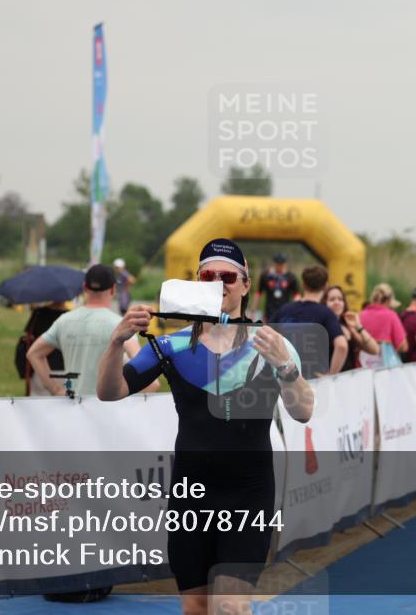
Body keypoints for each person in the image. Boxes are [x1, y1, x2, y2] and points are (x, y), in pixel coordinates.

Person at [97, 238, 313, 615]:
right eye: (209, 275)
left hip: (249, 494)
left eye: (228, 276)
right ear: (198, 283)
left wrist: (287, 368)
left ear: (246, 284)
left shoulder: (272, 344)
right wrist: (116, 343)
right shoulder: (171, 346)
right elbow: (110, 393)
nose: (220, 283)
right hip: (191, 495)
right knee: (195, 608)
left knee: (230, 606)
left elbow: (304, 411)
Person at [27, 264, 157, 397]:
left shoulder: (64, 320)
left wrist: (56, 390)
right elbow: (149, 378)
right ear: (113, 289)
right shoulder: (119, 326)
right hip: (107, 408)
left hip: (73, 406)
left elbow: (34, 354)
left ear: (84, 288)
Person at [270, 264, 348, 375]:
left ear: (303, 285)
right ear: (325, 287)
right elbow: (342, 346)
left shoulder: (284, 310)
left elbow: (263, 336)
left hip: (285, 378)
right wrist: (330, 376)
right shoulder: (326, 313)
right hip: (315, 380)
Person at [323, 284, 379, 371]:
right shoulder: (321, 326)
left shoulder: (347, 326)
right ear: (324, 303)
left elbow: (374, 350)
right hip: (330, 380)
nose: (337, 302)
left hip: (349, 379)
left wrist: (358, 326)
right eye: (332, 299)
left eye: (340, 299)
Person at [358, 283, 408, 368]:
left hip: (362, 364)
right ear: (389, 301)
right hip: (383, 366)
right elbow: (402, 346)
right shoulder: (391, 315)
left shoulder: (361, 315)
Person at [252, 253, 299, 323]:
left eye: (282, 264)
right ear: (274, 263)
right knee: (267, 332)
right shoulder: (266, 275)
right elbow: (258, 294)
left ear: (285, 264)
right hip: (269, 313)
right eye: (278, 264)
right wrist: (253, 312)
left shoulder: (291, 277)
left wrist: (296, 311)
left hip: (284, 313)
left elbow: (296, 295)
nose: (280, 266)